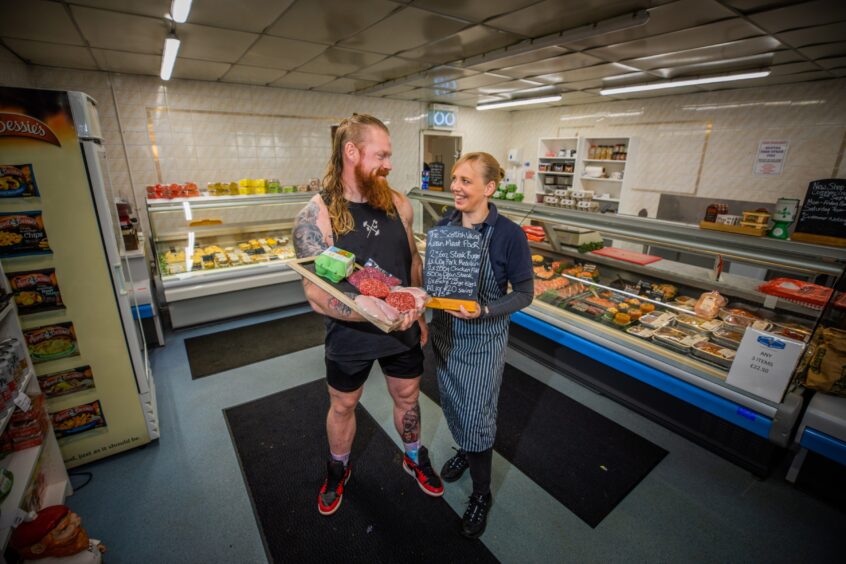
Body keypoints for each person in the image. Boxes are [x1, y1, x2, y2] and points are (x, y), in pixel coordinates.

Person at [292, 113, 443, 517]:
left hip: (403, 328)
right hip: (350, 333)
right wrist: (378, 313)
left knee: (408, 397)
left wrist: (417, 315)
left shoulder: (398, 203)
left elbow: (412, 260)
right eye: (382, 155)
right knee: (343, 404)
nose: (390, 165)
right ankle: (338, 468)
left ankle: (413, 454)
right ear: (352, 152)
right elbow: (315, 294)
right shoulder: (318, 213)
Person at [430, 152, 534, 538]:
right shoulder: (444, 224)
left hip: (482, 339)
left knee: (477, 414)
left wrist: (486, 308)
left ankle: (481, 493)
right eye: (455, 178)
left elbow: (525, 294)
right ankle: (464, 450)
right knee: (455, 405)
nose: (455, 186)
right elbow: (437, 281)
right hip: (445, 334)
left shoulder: (509, 234)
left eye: (466, 181)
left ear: (489, 188)